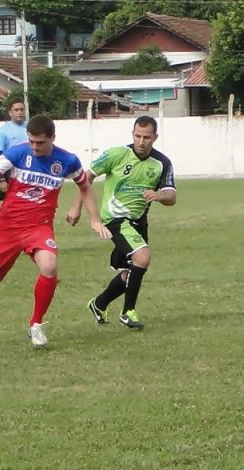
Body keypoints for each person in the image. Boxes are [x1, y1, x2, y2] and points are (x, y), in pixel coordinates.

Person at [0, 115, 111, 347]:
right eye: (31, 141)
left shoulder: (67, 160)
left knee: (49, 266)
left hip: (39, 227)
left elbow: (85, 186)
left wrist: (95, 219)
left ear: (52, 138)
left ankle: (36, 324)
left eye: (40, 142)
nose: (35, 147)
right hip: (7, 228)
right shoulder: (18, 153)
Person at [65, 115, 177, 330]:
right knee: (142, 257)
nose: (141, 141)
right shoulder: (117, 155)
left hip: (139, 222)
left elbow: (171, 197)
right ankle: (128, 312)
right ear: (132, 134)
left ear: (155, 137)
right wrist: (76, 207)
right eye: (138, 136)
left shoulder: (162, 163)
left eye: (146, 137)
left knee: (131, 272)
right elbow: (86, 179)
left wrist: (158, 195)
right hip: (115, 219)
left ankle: (99, 304)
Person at [0, 99, 28, 201]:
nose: (19, 112)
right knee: (9, 204)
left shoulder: (31, 128)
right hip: (10, 173)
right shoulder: (3, 131)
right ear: (10, 113)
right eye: (16, 110)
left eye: (21, 109)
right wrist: (2, 180)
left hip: (29, 172)